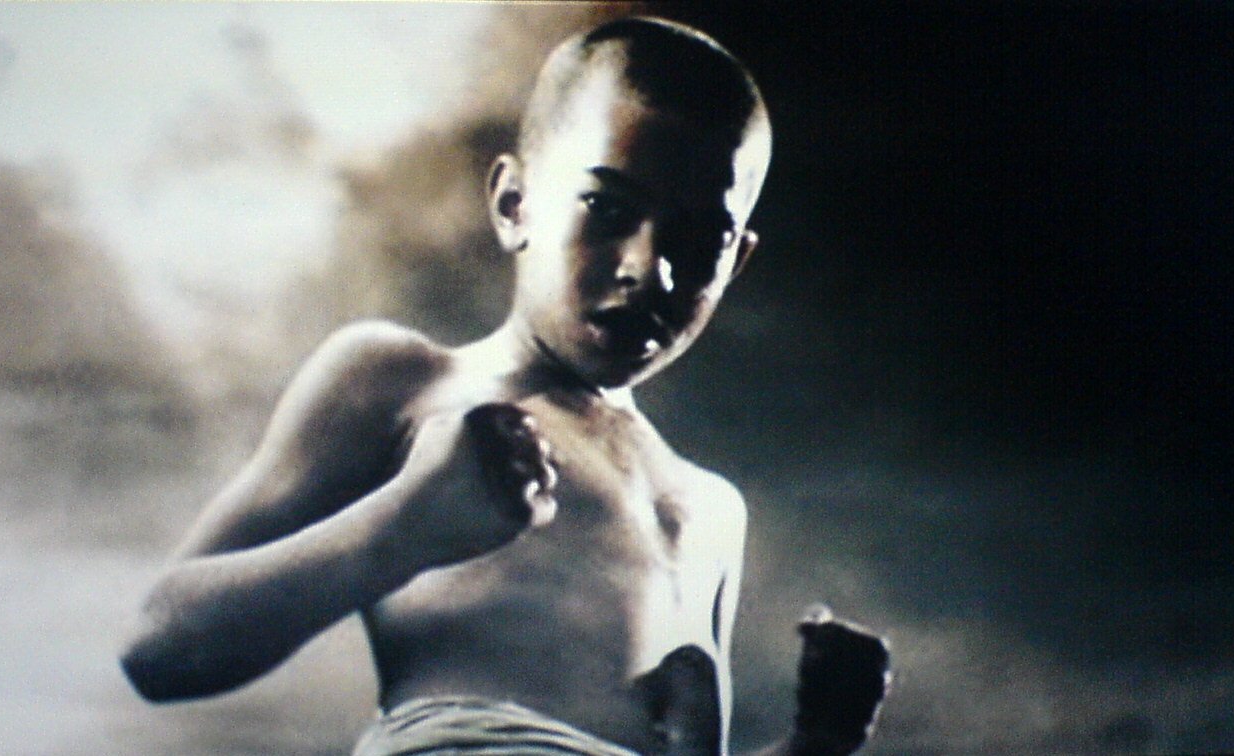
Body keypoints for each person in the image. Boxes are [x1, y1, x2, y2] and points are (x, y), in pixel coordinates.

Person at [120, 17, 888, 755]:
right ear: (514, 205)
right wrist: (400, 529)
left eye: (700, 241)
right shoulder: (406, 383)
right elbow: (156, 646)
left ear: (737, 261)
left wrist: (811, 746)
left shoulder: (712, 510)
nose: (650, 269)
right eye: (608, 209)